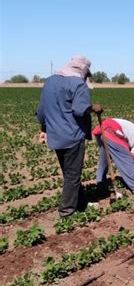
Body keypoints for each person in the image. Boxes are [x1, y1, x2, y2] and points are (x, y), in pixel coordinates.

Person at [36, 55, 102, 218]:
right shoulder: (78, 84)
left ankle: (81, 203)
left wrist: (44, 129)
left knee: (69, 172)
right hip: (72, 135)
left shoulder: (50, 81)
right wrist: (94, 108)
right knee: (73, 174)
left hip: (55, 135)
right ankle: (66, 212)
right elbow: (80, 110)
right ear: (82, 70)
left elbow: (42, 112)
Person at [92, 118, 134, 193]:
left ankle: (101, 185)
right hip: (112, 130)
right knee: (126, 160)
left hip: (102, 128)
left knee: (104, 160)